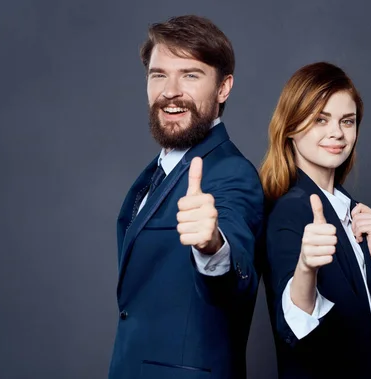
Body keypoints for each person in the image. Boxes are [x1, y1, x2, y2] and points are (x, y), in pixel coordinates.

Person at [108, 15, 264, 379]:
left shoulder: (231, 172)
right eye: (158, 74)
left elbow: (234, 267)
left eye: (190, 75)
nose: (170, 91)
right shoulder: (157, 170)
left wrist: (213, 245)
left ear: (223, 88)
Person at [259, 62, 371, 379]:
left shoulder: (351, 210)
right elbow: (294, 329)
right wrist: (305, 270)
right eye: (320, 119)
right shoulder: (291, 210)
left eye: (347, 121)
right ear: (291, 127)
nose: (337, 133)